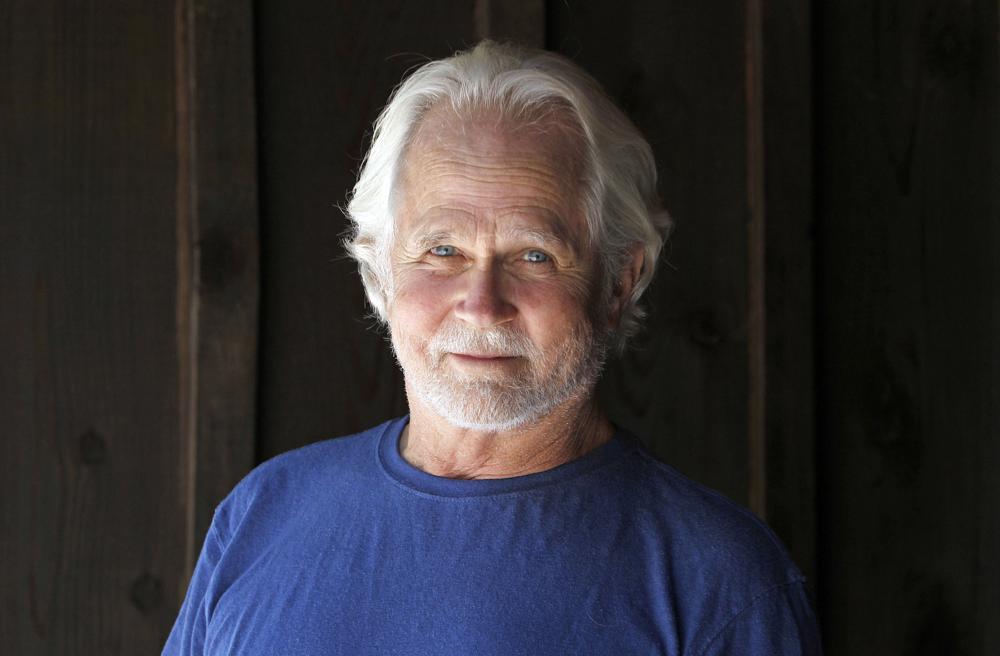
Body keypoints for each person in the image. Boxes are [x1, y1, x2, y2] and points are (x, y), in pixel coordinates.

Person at [163, 41, 822, 655]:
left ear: (618, 281)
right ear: (379, 268)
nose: (482, 303)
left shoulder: (721, 583)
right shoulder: (263, 515)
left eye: (535, 255)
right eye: (442, 249)